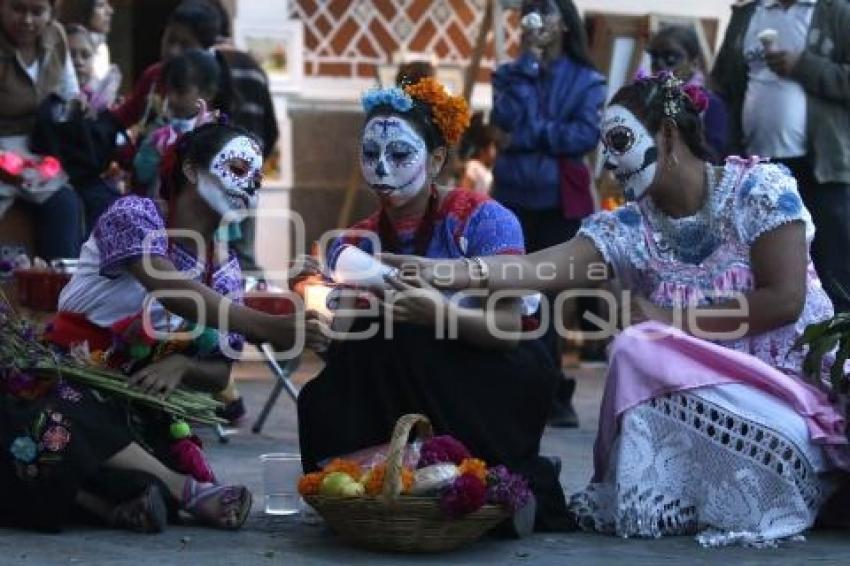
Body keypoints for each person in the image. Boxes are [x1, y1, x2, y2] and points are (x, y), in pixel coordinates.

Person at [382, 73, 849, 545]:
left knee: (639, 344)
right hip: (713, 409)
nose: (609, 161)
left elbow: (784, 299)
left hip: (790, 393)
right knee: (638, 350)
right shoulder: (628, 227)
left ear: (666, 136)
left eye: (620, 141)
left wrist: (671, 322)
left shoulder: (758, 190)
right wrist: (440, 273)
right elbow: (538, 269)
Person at [294, 78, 569, 530]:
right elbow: (348, 345)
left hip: (489, 367)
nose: (382, 167)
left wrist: (436, 313)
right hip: (396, 375)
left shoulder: (485, 220)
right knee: (322, 395)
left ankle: (490, 485)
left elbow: (508, 330)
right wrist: (318, 322)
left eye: (400, 154)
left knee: (410, 341)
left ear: (437, 159)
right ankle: (384, 485)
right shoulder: (352, 243)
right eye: (370, 154)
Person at [490, 0, 607, 428]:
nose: (536, 19)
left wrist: (529, 134)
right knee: (507, 293)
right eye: (530, 11)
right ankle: (513, 388)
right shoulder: (509, 73)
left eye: (547, 11)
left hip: (558, 201)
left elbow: (583, 135)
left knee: (550, 302)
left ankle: (552, 392)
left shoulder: (589, 79)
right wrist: (527, 66)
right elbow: (504, 119)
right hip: (511, 197)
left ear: (565, 24)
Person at [712, 0, 850, 314]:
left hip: (820, 170)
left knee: (834, 273)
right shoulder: (748, 14)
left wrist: (804, 66)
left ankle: (840, 359)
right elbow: (721, 83)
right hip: (754, 170)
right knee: (761, 274)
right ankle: (774, 359)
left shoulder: (837, 13)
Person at [0, 0, 83, 260]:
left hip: (41, 149)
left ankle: (62, 290)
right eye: (17, 9)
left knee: (66, 205)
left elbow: (70, 94)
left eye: (37, 12)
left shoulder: (55, 36)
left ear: (51, 13)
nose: (26, 20)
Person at [133, 49, 221, 200]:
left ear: (208, 93)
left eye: (180, 92)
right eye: (169, 91)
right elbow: (142, 174)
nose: (171, 98)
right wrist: (153, 147)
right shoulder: (159, 130)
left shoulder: (216, 134)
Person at [647, 25, 728, 161]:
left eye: (671, 58)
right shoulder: (649, 98)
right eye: (654, 58)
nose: (660, 65)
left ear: (694, 63)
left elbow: (715, 158)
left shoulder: (710, 104)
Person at [57, 0, 113, 82]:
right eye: (100, 5)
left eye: (85, 55)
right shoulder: (64, 43)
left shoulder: (101, 47)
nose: (110, 11)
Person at [458, 113, 501, 195]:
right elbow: (464, 191)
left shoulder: (488, 169)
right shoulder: (473, 166)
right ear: (483, 149)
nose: (495, 153)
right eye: (492, 147)